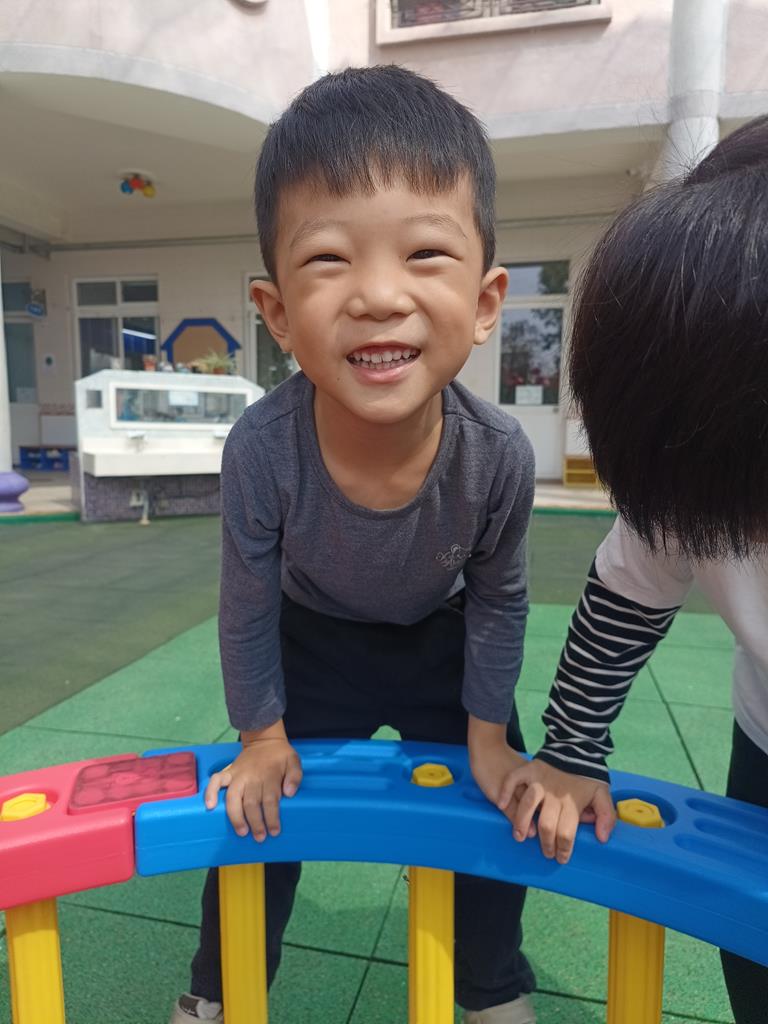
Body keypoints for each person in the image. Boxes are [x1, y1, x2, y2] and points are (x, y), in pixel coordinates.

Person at [170, 65, 538, 1024]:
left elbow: (500, 599)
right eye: (330, 258)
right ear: (277, 312)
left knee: (495, 804)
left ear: (486, 301)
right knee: (255, 814)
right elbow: (247, 601)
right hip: (313, 644)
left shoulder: (497, 454)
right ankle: (218, 992)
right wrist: (261, 737)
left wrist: (488, 737)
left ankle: (490, 987)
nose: (378, 295)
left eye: (425, 253)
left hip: (438, 643)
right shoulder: (263, 447)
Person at [499, 116, 768, 1024]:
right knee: (754, 944)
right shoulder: (695, 455)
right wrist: (572, 748)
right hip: (767, 734)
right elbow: (626, 592)